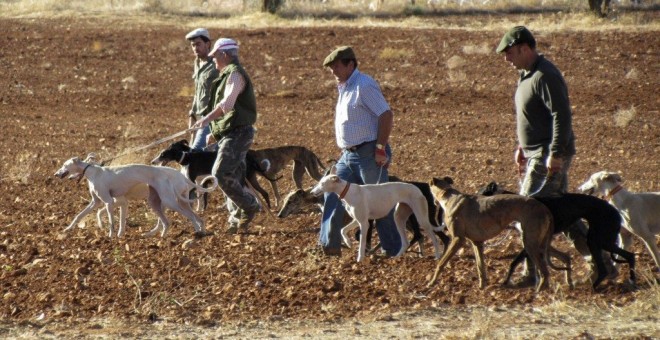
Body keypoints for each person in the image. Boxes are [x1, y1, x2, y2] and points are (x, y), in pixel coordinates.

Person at [497, 26, 614, 286]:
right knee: (563, 214)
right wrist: (522, 148)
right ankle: (602, 264)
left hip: (547, 155)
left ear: (524, 48)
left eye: (509, 52)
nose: (506, 58)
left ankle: (533, 273)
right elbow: (532, 117)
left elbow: (561, 116)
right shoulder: (526, 75)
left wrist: (556, 153)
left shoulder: (545, 75)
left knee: (529, 212)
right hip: (535, 153)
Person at [319, 46, 402, 257]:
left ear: (350, 64)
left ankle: (392, 250)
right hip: (348, 155)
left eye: (336, 66)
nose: (333, 71)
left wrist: (380, 148)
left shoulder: (364, 85)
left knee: (379, 200)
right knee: (331, 193)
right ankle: (329, 247)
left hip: (369, 153)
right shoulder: (345, 86)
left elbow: (386, 115)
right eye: (331, 67)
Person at [191, 38, 260, 234]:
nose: (212, 59)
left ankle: (250, 206)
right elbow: (229, 112)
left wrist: (205, 120)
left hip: (239, 134)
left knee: (220, 173)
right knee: (235, 177)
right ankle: (237, 221)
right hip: (231, 133)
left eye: (215, 56)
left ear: (225, 55)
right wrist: (215, 132)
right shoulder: (226, 74)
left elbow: (227, 105)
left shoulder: (235, 75)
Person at [185, 28, 219, 151]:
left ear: (208, 44)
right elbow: (198, 92)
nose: (195, 48)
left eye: (198, 44)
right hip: (200, 117)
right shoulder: (197, 62)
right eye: (193, 45)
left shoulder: (217, 64)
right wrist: (192, 115)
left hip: (213, 117)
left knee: (195, 153)